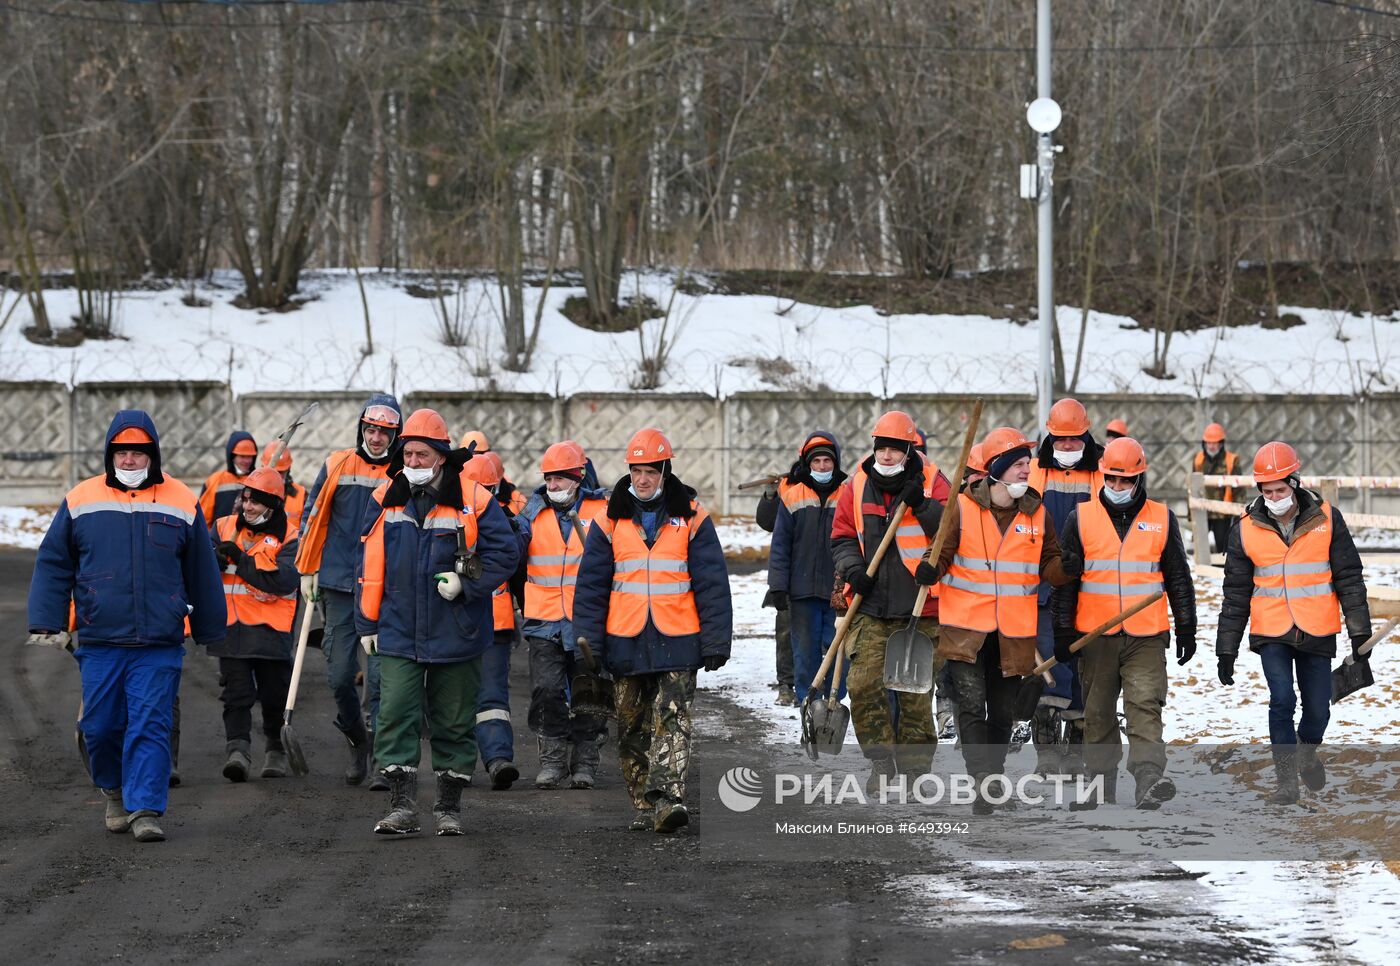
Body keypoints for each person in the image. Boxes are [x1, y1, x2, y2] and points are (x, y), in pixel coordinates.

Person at [27, 411, 226, 842]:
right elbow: (55, 562)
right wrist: (48, 618)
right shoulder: (81, 499)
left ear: (153, 454)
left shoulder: (180, 499)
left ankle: (145, 809)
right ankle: (113, 790)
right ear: (109, 454)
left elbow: (202, 570)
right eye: (123, 452)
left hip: (159, 640)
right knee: (99, 727)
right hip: (100, 639)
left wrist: (210, 626)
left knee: (150, 723)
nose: (131, 460)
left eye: (139, 452)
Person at [356, 410, 520, 836]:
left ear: (441, 457)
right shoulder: (384, 498)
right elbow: (369, 565)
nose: (411, 460)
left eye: (421, 453)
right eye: (407, 453)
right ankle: (402, 807)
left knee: (453, 720)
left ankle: (449, 808)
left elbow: (506, 554)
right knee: (394, 715)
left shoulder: (475, 499)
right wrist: (366, 623)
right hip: (397, 630)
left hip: (456, 632)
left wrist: (466, 582)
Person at [573, 428, 733, 834]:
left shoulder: (692, 517)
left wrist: (716, 640)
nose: (642, 479)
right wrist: (586, 644)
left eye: (650, 471)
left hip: (678, 637)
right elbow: (591, 587)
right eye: (636, 470)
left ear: (666, 471)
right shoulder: (608, 520)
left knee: (673, 720)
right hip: (624, 639)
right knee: (632, 727)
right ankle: (644, 801)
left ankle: (669, 799)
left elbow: (712, 583)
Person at [917, 427, 1078, 814]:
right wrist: (928, 568)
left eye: (1028, 464)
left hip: (1014, 632)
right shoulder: (961, 508)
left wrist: (1065, 568)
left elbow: (1049, 563)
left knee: (1003, 712)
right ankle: (983, 785)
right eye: (1020, 465)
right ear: (999, 469)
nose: (1027, 471)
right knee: (972, 707)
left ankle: (993, 777)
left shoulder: (1036, 513)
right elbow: (938, 552)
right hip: (967, 630)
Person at [1215, 441, 1372, 804]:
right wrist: (1227, 649)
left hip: (1317, 626)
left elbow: (1349, 576)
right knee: (1282, 699)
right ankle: (1286, 782)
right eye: (1266, 491)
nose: (1274, 497)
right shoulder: (1244, 528)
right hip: (1271, 629)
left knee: (1318, 707)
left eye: (1280, 490)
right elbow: (1235, 593)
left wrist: (1359, 630)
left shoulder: (1327, 518)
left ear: (1295, 483)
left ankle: (1307, 751)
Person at [1052, 437, 1196, 810]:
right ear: (1102, 476)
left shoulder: (1162, 518)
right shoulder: (1080, 518)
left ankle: (1149, 778)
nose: (1117, 488)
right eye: (1112, 480)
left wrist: (1186, 627)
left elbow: (1178, 576)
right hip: (1095, 635)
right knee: (1097, 713)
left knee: (1144, 704)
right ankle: (1100, 786)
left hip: (1146, 634)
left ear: (1139, 479)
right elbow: (1066, 581)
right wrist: (1063, 629)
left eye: (1125, 481)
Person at [830, 410, 951, 791]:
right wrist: (853, 572)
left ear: (908, 450)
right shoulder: (857, 483)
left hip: (921, 607)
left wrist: (924, 507)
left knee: (915, 695)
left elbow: (952, 531)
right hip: (870, 606)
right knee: (864, 685)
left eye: (895, 450)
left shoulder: (933, 482)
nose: (886, 456)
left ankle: (916, 769)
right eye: (881, 448)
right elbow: (843, 535)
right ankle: (881, 762)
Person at [296, 394, 401, 789]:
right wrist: (307, 569)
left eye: (384, 431)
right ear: (362, 428)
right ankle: (357, 739)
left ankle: (380, 757)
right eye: (371, 429)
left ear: (396, 433)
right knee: (340, 676)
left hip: (385, 589)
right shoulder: (337, 463)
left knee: (379, 679)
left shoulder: (404, 471)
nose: (376, 438)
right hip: (338, 585)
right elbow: (313, 514)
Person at [518, 441, 611, 789]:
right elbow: (513, 552)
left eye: (560, 479)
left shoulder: (603, 511)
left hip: (587, 619)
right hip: (544, 620)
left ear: (578, 478)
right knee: (547, 690)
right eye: (549, 479)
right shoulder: (532, 512)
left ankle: (585, 761)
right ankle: (552, 761)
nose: (552, 486)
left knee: (590, 691)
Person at [1026, 398, 1104, 772]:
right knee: (1049, 665)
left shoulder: (1105, 471)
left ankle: (1076, 745)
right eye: (1061, 440)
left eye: (1075, 439)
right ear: (1050, 437)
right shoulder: (1033, 472)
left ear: (1087, 435)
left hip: (1090, 585)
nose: (1068, 447)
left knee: (1084, 665)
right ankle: (1046, 751)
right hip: (1043, 582)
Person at [210, 467, 300, 783]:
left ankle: (275, 747)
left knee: (274, 695)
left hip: (270, 631)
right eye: (245, 499)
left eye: (256, 502)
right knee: (236, 693)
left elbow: (281, 580)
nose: (248, 507)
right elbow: (193, 560)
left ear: (273, 506)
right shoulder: (223, 527)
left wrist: (239, 560)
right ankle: (238, 750)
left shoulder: (290, 536)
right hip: (231, 627)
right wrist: (213, 559)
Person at [460, 452, 531, 791]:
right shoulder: (448, 518)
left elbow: (519, 573)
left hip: (494, 624)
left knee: (491, 697)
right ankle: (457, 765)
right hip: (456, 622)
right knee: (454, 698)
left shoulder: (510, 525)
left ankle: (497, 758)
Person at [768, 431, 847, 705]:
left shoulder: (848, 494)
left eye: (828, 461)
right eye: (817, 462)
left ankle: (834, 698)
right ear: (807, 464)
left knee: (839, 651)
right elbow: (780, 545)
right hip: (802, 593)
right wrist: (777, 585)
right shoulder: (792, 496)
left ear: (836, 463)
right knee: (805, 654)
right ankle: (808, 704)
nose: (823, 467)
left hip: (839, 592)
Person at [755, 476, 796, 706]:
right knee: (786, 632)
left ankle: (813, 684)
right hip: (789, 576)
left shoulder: (835, 490)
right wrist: (771, 497)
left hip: (822, 576)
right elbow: (768, 521)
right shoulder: (792, 490)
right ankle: (786, 685)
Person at [1193, 422, 1241, 555]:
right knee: (1200, 547)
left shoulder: (1231, 460)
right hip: (1203, 510)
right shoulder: (1198, 460)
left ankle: (1223, 572)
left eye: (1214, 443)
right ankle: (1203, 572)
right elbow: (1192, 486)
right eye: (1209, 443)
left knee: (1223, 548)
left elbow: (1239, 489)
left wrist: (1237, 513)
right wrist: (1190, 513)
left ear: (1221, 443)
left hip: (1223, 513)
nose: (1211, 446)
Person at [198, 431, 259, 527]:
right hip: (219, 540)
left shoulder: (259, 480)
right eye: (242, 456)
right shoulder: (215, 480)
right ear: (232, 456)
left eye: (250, 456)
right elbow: (202, 521)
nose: (247, 461)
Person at [261, 441, 305, 527]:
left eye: (281, 472)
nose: (277, 476)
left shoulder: (302, 495)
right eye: (274, 471)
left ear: (288, 469)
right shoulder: (252, 494)